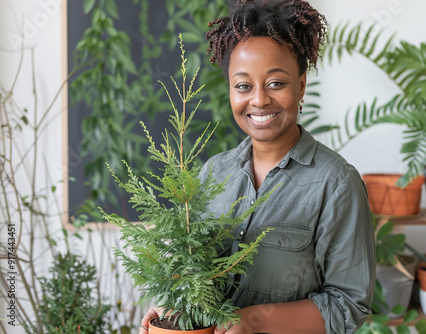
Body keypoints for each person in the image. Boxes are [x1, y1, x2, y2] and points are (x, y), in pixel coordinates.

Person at [141, 0, 375, 333]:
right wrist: (170, 306)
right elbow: (194, 269)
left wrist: (253, 319)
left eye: (276, 83)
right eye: (243, 86)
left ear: (302, 86)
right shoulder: (213, 173)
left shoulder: (336, 183)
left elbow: (348, 306)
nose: (259, 99)